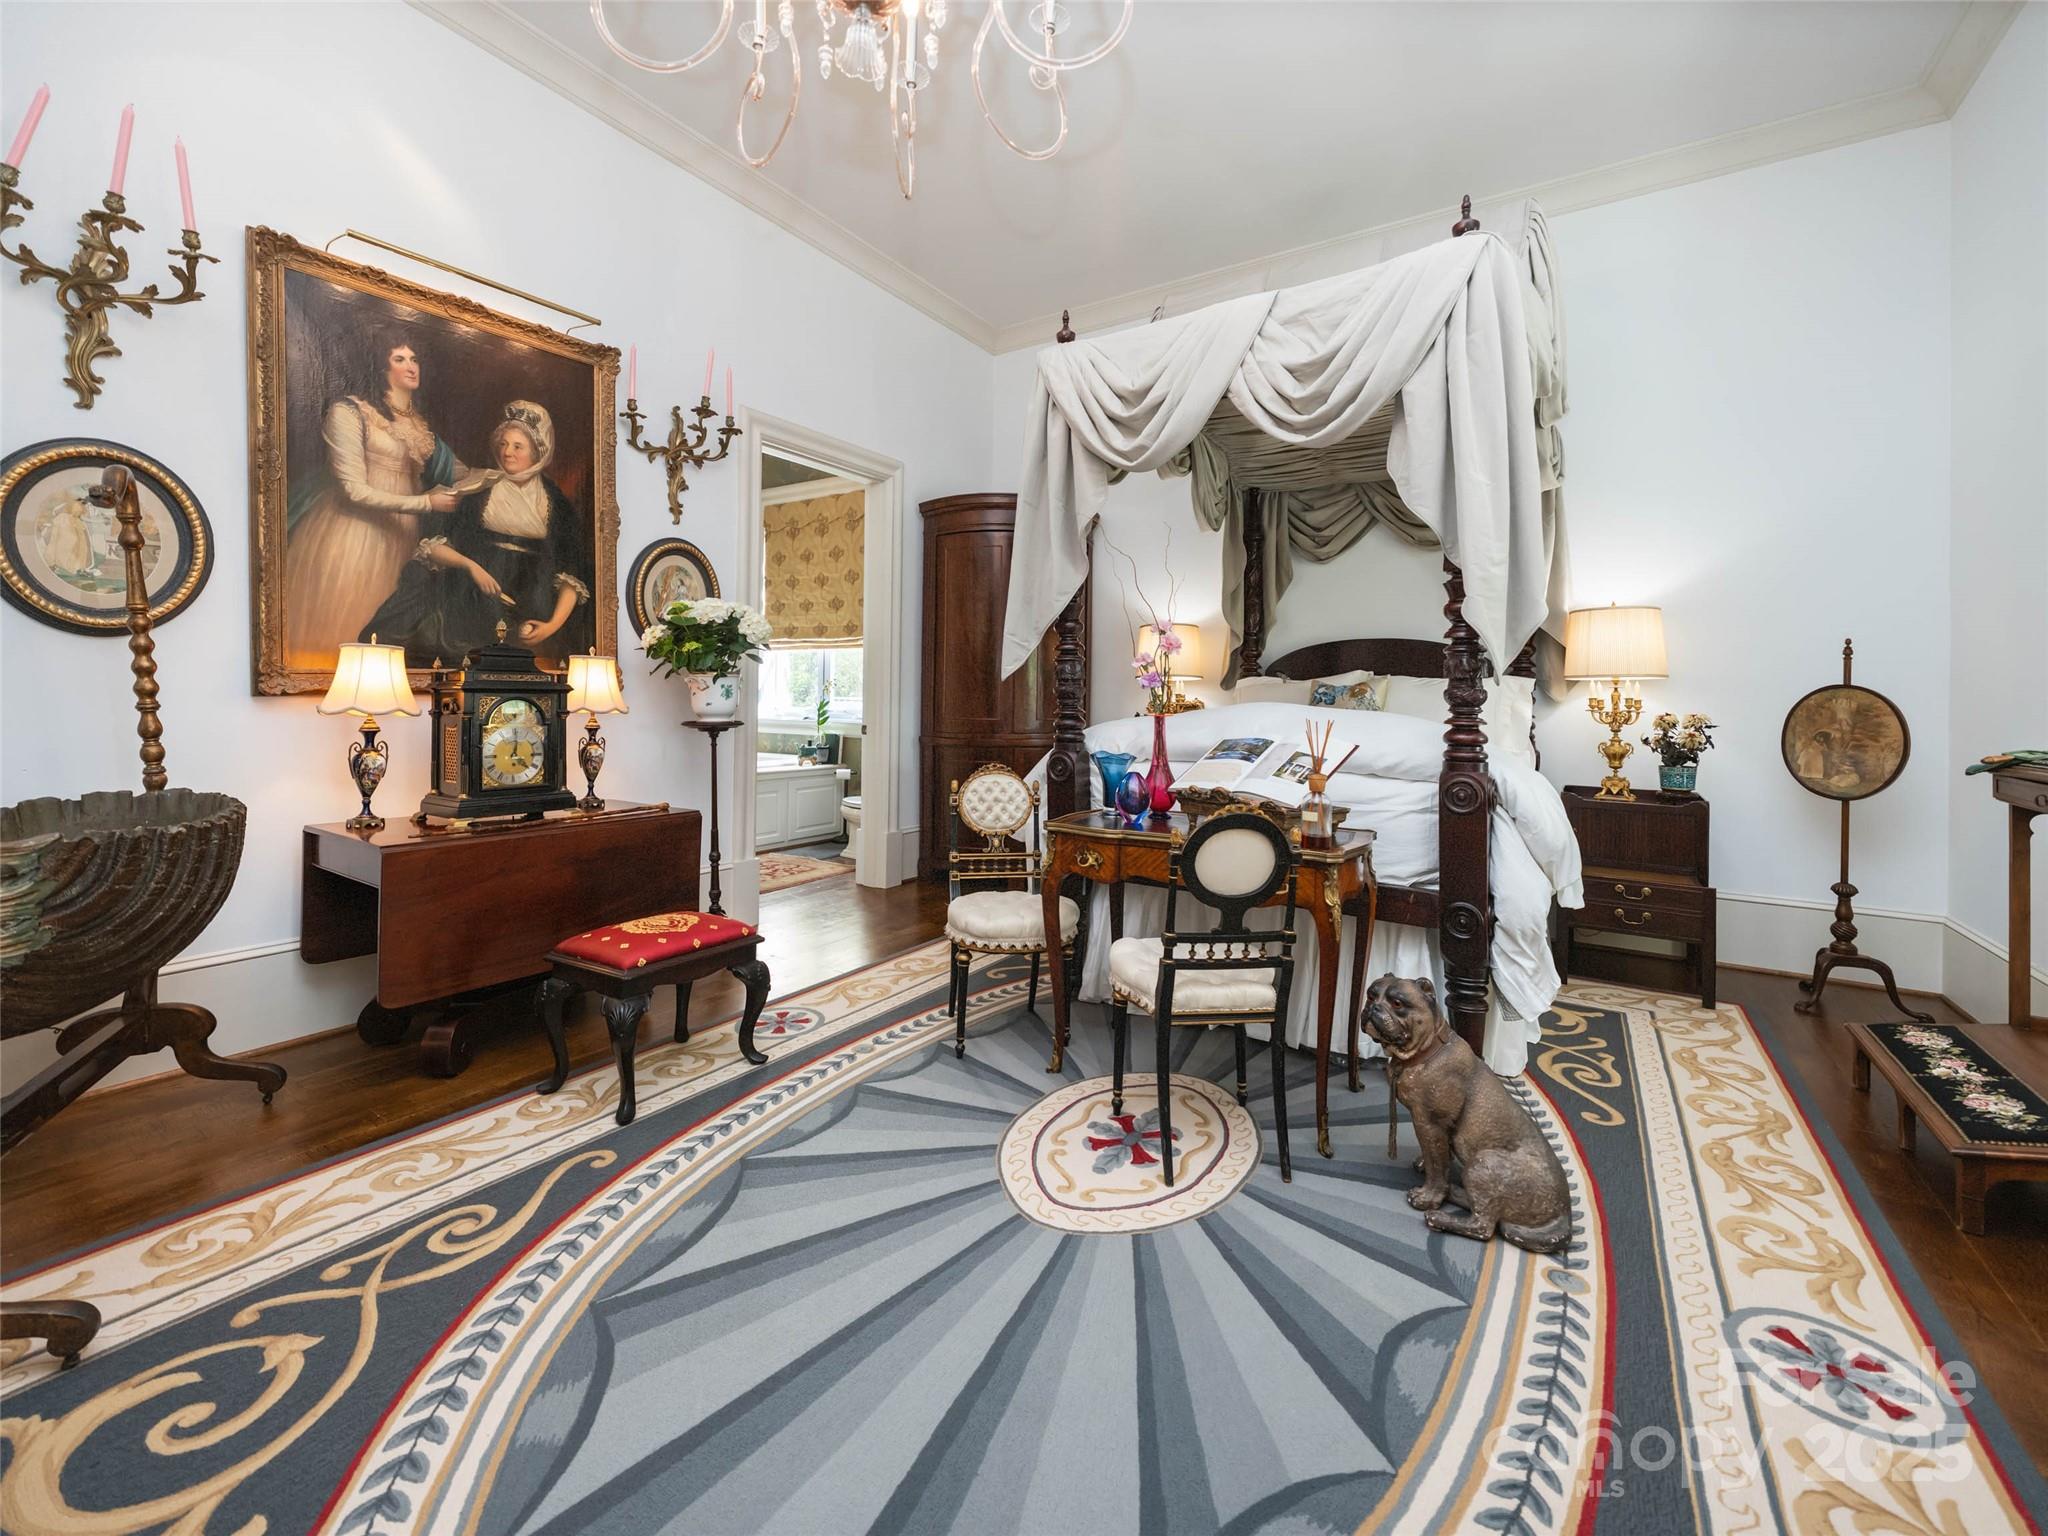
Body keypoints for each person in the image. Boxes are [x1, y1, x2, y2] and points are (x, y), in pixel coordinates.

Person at [282, 327, 465, 668]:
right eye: (399, 359)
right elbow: (354, 489)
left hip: (402, 536)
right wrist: (426, 503)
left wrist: (504, 476)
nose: (411, 366)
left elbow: (461, 473)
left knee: (388, 629)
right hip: (354, 533)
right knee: (349, 622)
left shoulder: (420, 427)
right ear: (379, 367)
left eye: (414, 359)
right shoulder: (350, 412)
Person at [362, 400, 591, 664]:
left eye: (518, 446)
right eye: (504, 444)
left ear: (538, 452)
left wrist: (551, 625)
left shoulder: (556, 503)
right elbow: (434, 547)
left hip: (529, 601)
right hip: (471, 594)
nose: (508, 453)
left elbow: (571, 575)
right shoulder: (480, 488)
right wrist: (472, 567)